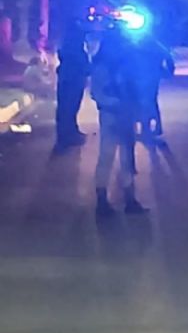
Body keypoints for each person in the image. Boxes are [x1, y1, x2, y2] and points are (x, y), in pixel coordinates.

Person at [91, 27, 148, 216]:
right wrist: (118, 104)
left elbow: (136, 89)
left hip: (124, 115)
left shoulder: (123, 64)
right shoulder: (103, 67)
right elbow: (97, 94)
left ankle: (129, 200)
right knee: (107, 156)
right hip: (111, 115)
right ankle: (102, 201)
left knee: (126, 158)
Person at [55, 22, 90, 148]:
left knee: (65, 108)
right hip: (73, 81)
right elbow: (82, 65)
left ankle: (67, 134)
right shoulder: (75, 49)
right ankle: (68, 136)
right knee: (70, 108)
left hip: (66, 79)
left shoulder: (66, 46)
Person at [134, 39, 174, 140]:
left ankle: (153, 126)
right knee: (141, 100)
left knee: (149, 100)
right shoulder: (131, 43)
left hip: (150, 77)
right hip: (137, 77)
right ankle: (143, 126)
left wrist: (169, 71)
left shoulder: (153, 44)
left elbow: (167, 56)